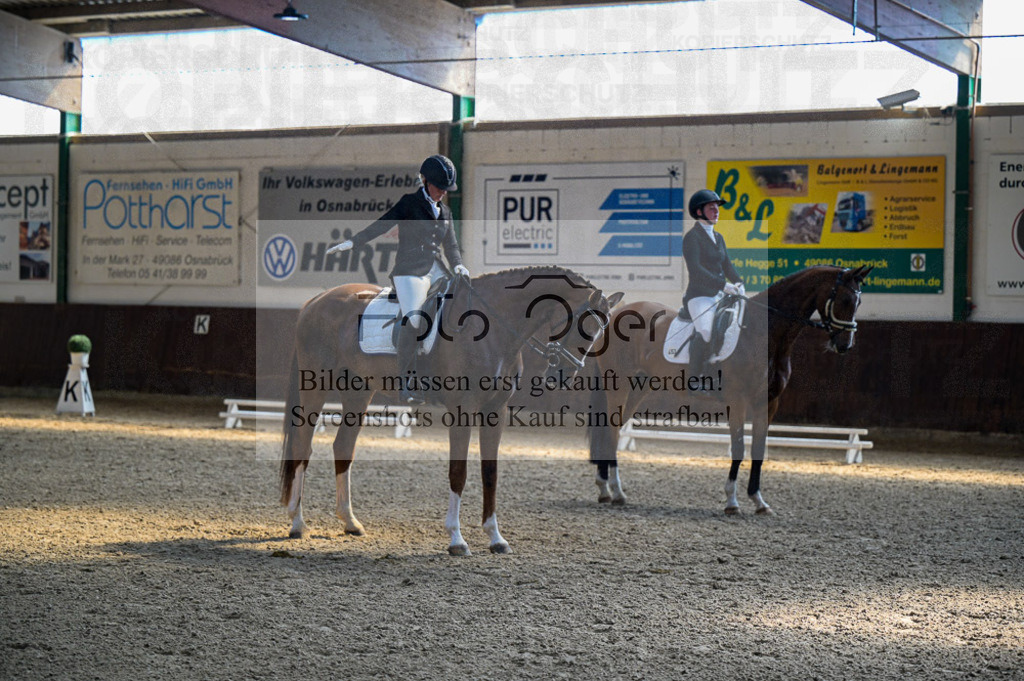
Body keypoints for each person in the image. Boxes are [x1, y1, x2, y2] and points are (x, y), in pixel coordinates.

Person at [327, 154, 469, 405]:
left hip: (436, 269)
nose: (442, 193)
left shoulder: (444, 211)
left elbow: (452, 246)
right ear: (425, 181)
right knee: (415, 318)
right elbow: (382, 225)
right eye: (439, 188)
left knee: (457, 304)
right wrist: (354, 242)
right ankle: (406, 381)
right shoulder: (410, 203)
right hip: (409, 271)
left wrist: (458, 266)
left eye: (446, 190)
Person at [682, 189, 745, 379]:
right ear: (699, 212)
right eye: (712, 208)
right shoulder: (691, 238)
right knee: (707, 331)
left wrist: (738, 282)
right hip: (699, 296)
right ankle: (694, 378)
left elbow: (727, 266)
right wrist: (723, 285)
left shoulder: (719, 238)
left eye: (717, 207)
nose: (716, 211)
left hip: (719, 295)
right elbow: (696, 270)